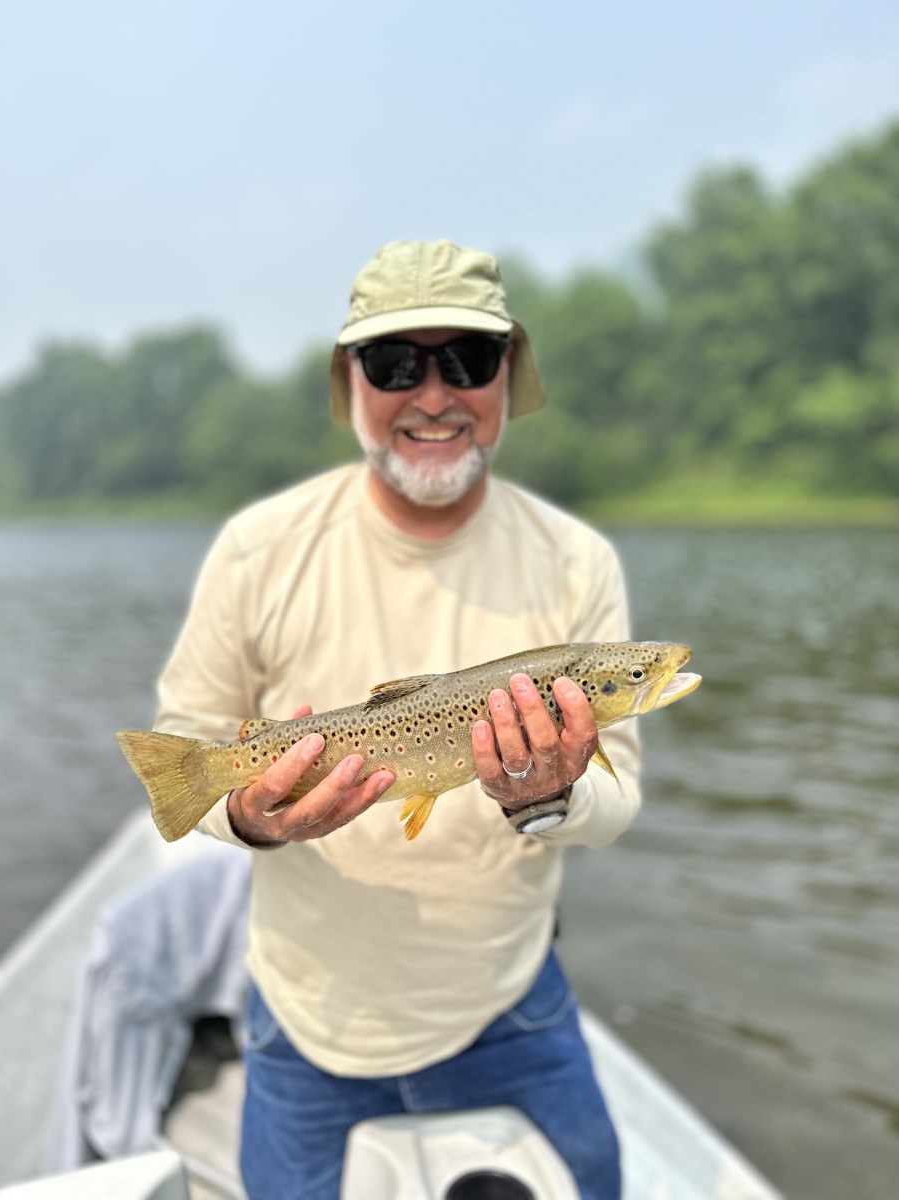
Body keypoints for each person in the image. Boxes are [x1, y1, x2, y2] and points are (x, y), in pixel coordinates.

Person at [154, 239, 641, 1200]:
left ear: (508, 379)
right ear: (350, 381)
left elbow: (618, 801)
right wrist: (251, 814)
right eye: (392, 364)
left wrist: (548, 799)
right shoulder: (258, 550)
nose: (431, 395)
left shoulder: (579, 563)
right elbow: (187, 743)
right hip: (306, 1017)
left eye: (465, 361)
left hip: (511, 1004)